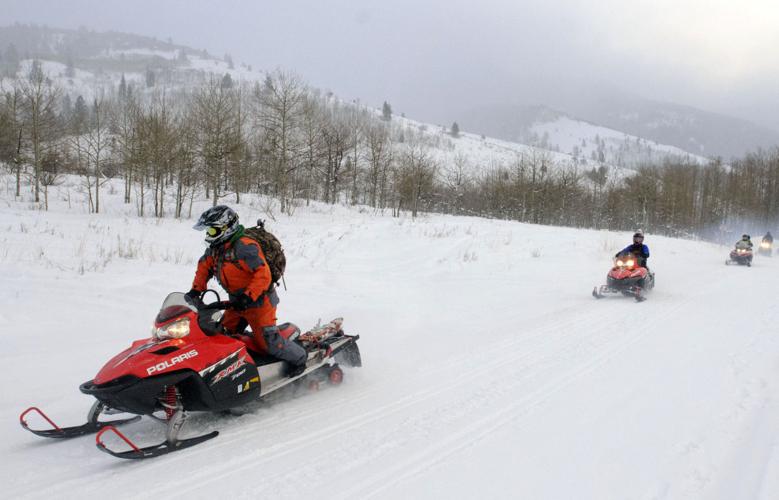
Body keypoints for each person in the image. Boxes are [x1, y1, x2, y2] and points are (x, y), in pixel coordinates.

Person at [186, 205, 307, 376]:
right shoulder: (216, 249)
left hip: (259, 302)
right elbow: (203, 267)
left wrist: (248, 297)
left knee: (268, 343)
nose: (208, 235)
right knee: (220, 336)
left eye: (212, 231)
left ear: (226, 228)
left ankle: (301, 359)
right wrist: (195, 291)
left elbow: (263, 275)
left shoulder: (245, 247)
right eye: (208, 231)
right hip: (236, 302)